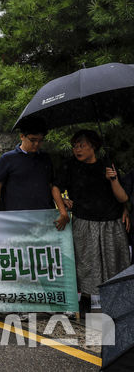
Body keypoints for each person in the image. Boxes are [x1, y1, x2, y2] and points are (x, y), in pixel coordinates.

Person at [52, 130, 130, 310]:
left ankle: (118, 303)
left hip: (111, 221)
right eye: (75, 146)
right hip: (84, 221)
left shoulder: (107, 165)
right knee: (86, 264)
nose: (77, 149)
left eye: (82, 145)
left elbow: (122, 198)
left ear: (93, 146)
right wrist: (63, 211)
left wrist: (113, 180)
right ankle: (86, 301)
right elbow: (56, 187)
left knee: (114, 263)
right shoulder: (70, 166)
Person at [0, 117, 70, 230]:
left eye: (40, 141)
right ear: (22, 136)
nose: (36, 144)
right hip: (18, 217)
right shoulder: (8, 158)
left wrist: (62, 210)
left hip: (44, 216)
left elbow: (52, 185)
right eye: (32, 140)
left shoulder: (45, 158)